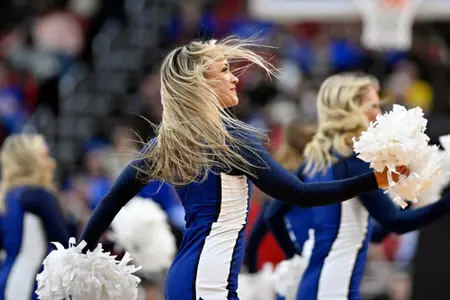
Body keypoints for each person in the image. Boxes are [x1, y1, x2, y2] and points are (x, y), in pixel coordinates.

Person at [77, 39, 405, 300]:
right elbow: (299, 194)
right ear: (201, 85)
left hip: (198, 277)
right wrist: (374, 179)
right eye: (223, 70)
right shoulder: (231, 142)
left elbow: (110, 200)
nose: (235, 77)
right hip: (206, 280)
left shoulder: (168, 143)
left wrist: (79, 255)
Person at [266, 73, 450, 300]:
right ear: (352, 111)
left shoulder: (316, 159)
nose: (380, 114)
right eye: (373, 106)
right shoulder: (352, 161)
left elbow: (273, 215)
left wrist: (296, 256)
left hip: (316, 281)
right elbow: (396, 222)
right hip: (334, 287)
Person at [0, 134, 69, 300]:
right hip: (33, 285)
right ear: (32, 161)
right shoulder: (39, 196)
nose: (50, 162)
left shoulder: (7, 196)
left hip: (7, 280)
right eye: (45, 155)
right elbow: (64, 246)